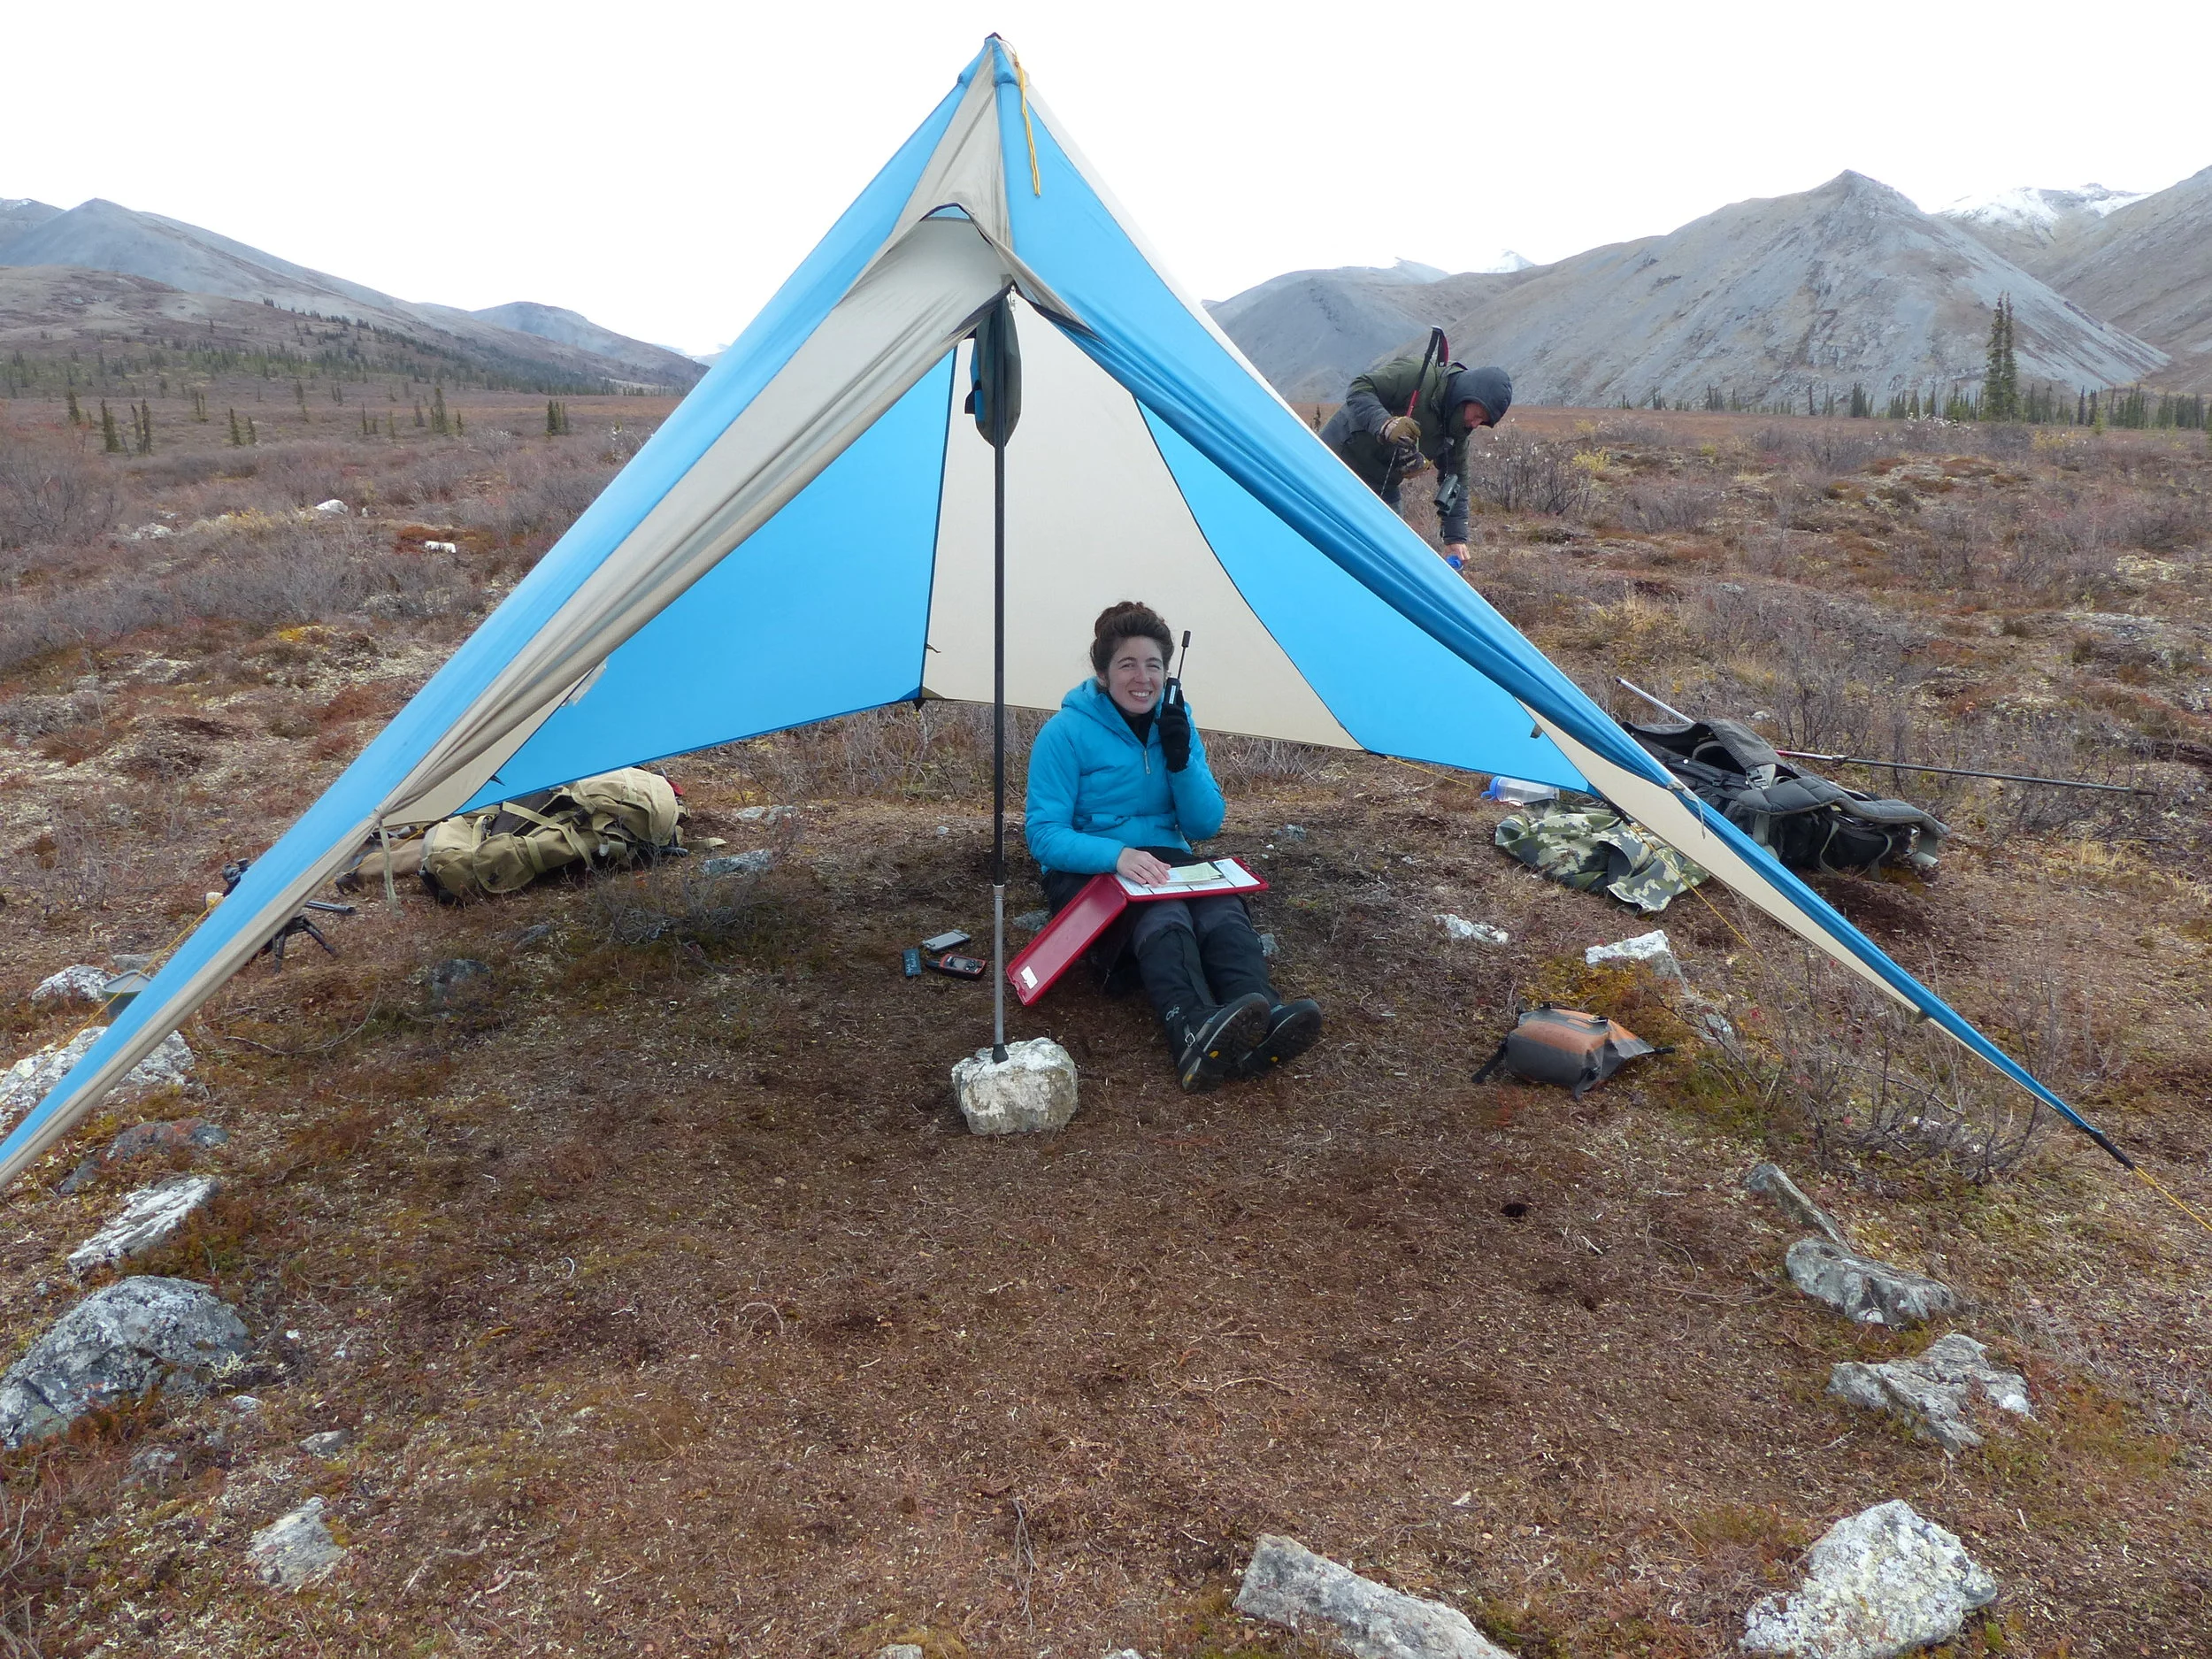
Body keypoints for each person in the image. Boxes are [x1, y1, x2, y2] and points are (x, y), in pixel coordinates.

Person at [1025, 602, 1323, 1092]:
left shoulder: (1175, 723)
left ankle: (1261, 1013)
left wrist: (1182, 760)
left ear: (1168, 671)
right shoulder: (1064, 734)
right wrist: (1116, 855)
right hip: (1091, 869)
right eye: (1127, 664)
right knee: (1163, 916)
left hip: (1167, 857)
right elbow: (1044, 834)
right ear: (1103, 672)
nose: (1142, 678)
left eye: (1153, 666)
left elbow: (1205, 824)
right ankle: (1192, 1029)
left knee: (1221, 906)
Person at [1321, 356, 1512, 569]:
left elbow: (1456, 481)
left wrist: (1455, 539)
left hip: (1383, 484)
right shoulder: (1417, 376)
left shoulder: (1457, 430)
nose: (1475, 424)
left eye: (1482, 422)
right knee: (1322, 541)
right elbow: (1360, 389)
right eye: (1478, 415)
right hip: (1333, 462)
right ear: (1468, 396)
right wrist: (1385, 424)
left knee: (1389, 559)